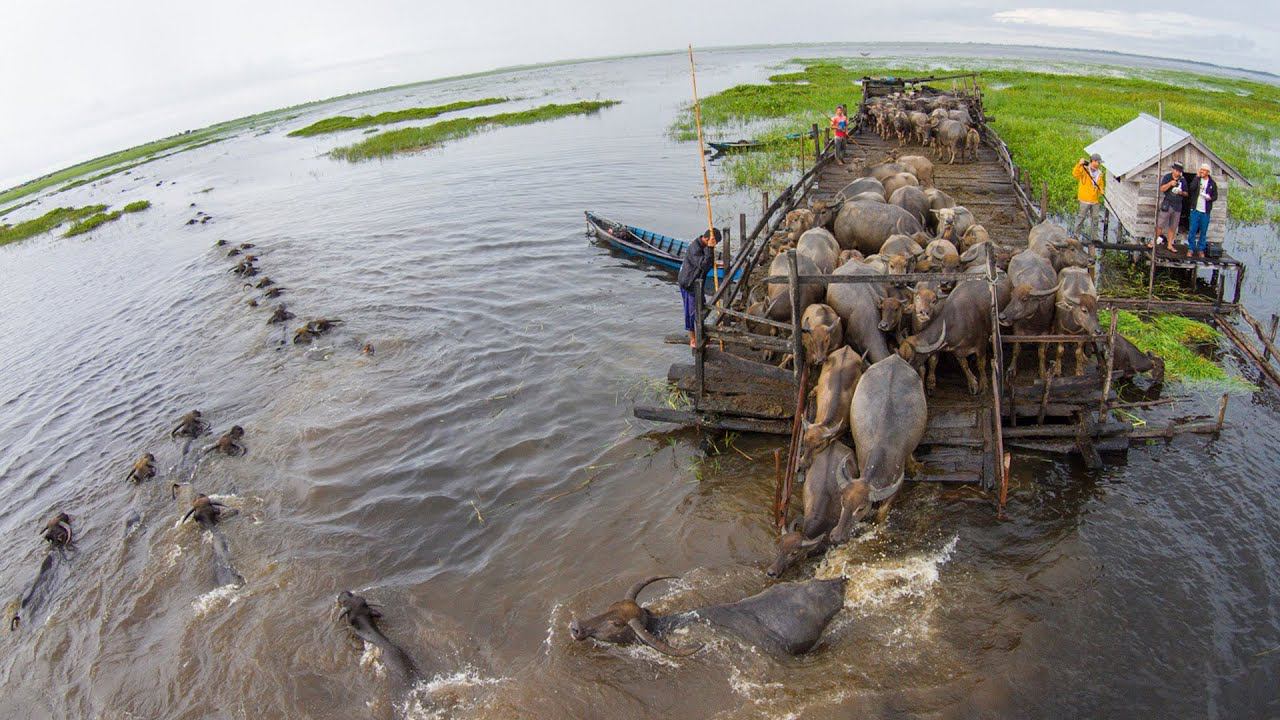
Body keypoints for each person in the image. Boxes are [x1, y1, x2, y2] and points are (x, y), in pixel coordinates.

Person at [677, 227, 720, 348]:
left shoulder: (704, 246)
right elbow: (704, 265)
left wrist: (710, 249)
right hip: (688, 284)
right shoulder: (694, 248)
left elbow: (708, 262)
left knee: (701, 307)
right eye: (715, 243)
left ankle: (700, 333)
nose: (715, 245)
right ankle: (693, 339)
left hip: (697, 284)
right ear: (706, 239)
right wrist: (710, 248)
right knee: (691, 312)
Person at [1185, 163, 1217, 259]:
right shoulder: (1197, 180)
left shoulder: (1212, 183)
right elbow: (1191, 188)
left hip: (1205, 211)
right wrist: (1197, 177)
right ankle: (1190, 248)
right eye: (1201, 169)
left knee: (1203, 231)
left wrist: (1210, 198)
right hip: (1195, 209)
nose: (1201, 171)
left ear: (1208, 172)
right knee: (1192, 230)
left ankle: (1201, 250)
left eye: (1203, 170)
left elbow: (1215, 196)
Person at [1071, 153, 1105, 243]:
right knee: (1081, 218)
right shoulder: (1084, 169)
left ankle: (1094, 237)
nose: (1099, 164)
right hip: (1084, 199)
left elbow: (1101, 184)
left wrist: (1101, 190)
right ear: (1093, 161)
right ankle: (1075, 236)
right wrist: (1079, 164)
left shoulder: (1100, 173)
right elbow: (1075, 174)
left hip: (1095, 200)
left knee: (1095, 219)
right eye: (1098, 162)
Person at [1156, 161, 1187, 248]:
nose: (1177, 173)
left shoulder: (1183, 180)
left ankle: (1170, 245)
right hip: (1167, 204)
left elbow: (1186, 193)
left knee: (1173, 227)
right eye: (1176, 170)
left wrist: (1181, 192)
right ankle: (1154, 242)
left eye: (1179, 171)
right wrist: (1170, 184)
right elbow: (1162, 189)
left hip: (1178, 206)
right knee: (1160, 224)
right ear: (1173, 170)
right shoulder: (1167, 177)